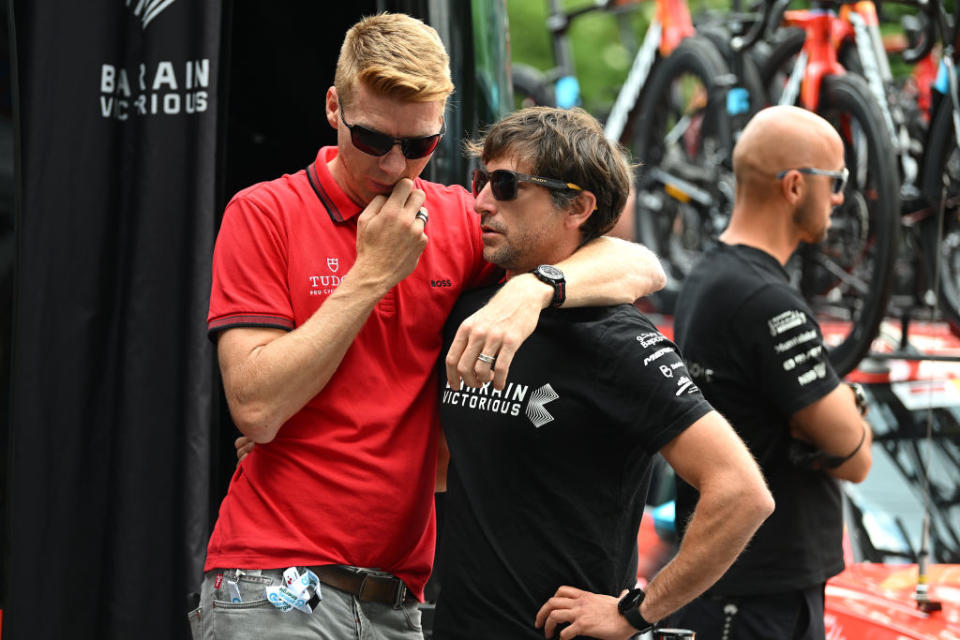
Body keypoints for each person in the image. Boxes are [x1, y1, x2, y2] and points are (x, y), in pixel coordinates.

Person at [195, 12, 665, 640]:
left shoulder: (456, 217)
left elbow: (638, 264)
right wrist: (370, 275)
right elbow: (255, 407)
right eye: (372, 140)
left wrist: (533, 289)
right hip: (275, 580)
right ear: (334, 109)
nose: (394, 165)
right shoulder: (265, 212)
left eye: (419, 146)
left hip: (399, 598)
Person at [433, 106, 774, 640]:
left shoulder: (614, 340)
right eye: (481, 180)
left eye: (505, 184)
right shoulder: (472, 311)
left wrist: (636, 612)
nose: (480, 201)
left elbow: (742, 492)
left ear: (578, 207)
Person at [666, 105, 874, 640]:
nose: (841, 197)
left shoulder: (712, 277)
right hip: (756, 599)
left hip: (745, 588)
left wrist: (834, 413)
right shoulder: (765, 300)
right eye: (837, 181)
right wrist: (849, 410)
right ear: (796, 186)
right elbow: (854, 458)